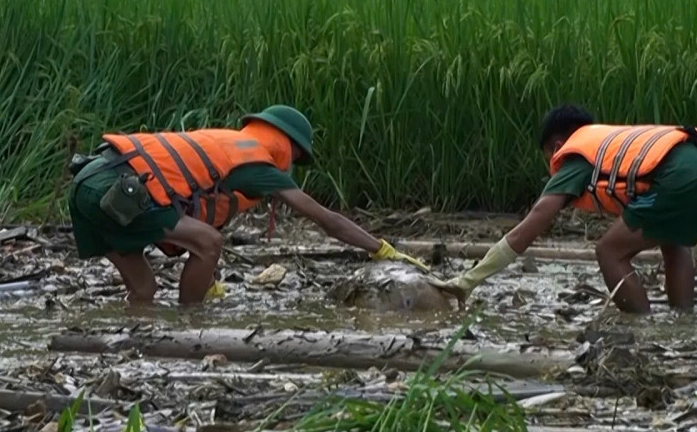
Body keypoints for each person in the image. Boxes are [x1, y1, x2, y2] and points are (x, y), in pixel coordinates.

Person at [68, 105, 428, 306]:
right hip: (119, 188)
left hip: (88, 181)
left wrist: (207, 277)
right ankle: (188, 322)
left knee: (144, 291)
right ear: (287, 147)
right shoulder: (255, 163)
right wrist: (381, 249)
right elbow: (327, 220)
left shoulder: (227, 143)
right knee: (210, 242)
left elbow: (184, 199)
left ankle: (133, 345)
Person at [432, 104, 697, 314]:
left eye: (549, 158)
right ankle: (683, 326)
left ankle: (642, 328)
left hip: (688, 173)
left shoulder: (576, 153)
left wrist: (470, 279)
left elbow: (537, 218)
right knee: (674, 245)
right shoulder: (609, 142)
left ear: (556, 147)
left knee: (609, 251)